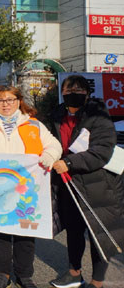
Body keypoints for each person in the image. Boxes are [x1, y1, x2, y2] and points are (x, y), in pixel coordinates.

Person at [0, 86, 62, 288]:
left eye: (10, 99)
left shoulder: (34, 125)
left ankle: (24, 274)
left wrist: (49, 155)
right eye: (0, 100)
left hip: (27, 189)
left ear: (19, 101)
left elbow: (54, 145)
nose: (6, 104)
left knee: (25, 233)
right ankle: (2, 274)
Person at [48, 75, 124, 288]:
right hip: (68, 183)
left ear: (88, 93)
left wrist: (69, 162)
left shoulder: (98, 115)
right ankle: (74, 273)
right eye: (68, 90)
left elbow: (102, 150)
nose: (73, 94)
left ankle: (97, 282)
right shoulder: (57, 114)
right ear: (62, 93)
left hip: (98, 183)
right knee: (73, 230)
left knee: (99, 233)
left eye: (79, 90)